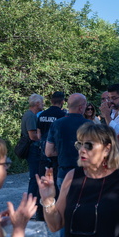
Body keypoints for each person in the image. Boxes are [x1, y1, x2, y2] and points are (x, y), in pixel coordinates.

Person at [45, 93, 91, 188]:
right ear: (81, 107)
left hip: (64, 172)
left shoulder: (56, 124)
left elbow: (48, 152)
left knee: (64, 201)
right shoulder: (90, 125)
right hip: (85, 173)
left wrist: (62, 151)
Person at [36, 91, 66, 220]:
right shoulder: (62, 115)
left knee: (42, 182)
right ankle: (55, 212)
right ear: (62, 101)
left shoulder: (42, 115)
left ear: (51, 101)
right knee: (56, 183)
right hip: (56, 152)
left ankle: (40, 214)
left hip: (43, 151)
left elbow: (38, 135)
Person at [20, 93, 43, 201]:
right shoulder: (31, 116)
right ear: (37, 103)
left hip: (32, 149)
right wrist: (44, 139)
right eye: (42, 103)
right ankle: (31, 203)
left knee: (35, 176)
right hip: (33, 150)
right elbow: (32, 136)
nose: (43, 105)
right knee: (35, 177)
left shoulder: (30, 115)